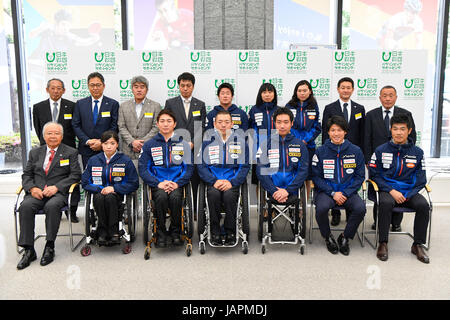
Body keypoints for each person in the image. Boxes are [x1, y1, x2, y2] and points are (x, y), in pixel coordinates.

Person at [17, 122, 81, 270]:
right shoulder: (34, 153)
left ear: (62, 136)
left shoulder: (70, 152)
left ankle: (49, 246)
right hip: (37, 193)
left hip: (57, 193)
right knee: (25, 206)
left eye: (56, 133)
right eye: (49, 133)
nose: (53, 136)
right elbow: (27, 174)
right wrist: (32, 188)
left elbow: (75, 175)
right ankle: (28, 250)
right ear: (44, 136)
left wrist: (57, 187)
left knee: (52, 206)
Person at [369, 114, 429, 263]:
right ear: (391, 130)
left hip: (409, 191)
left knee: (423, 205)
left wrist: (408, 193)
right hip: (387, 190)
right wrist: (391, 190)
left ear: (409, 131)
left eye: (402, 129)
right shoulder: (380, 150)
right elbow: (374, 175)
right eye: (395, 129)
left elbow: (421, 179)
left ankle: (418, 244)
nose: (399, 132)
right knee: (386, 203)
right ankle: (383, 243)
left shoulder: (418, 153)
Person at [311, 115, 366, 256]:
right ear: (328, 132)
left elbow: (360, 177)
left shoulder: (356, 151)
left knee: (360, 208)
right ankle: (328, 237)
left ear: (345, 132)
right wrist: (332, 193)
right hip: (327, 192)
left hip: (348, 192)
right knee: (322, 208)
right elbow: (316, 177)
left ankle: (345, 237)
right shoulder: (320, 151)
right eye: (333, 130)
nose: (336, 133)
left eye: (339, 130)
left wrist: (346, 193)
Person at [138, 109, 193, 247]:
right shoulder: (149, 144)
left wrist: (177, 183)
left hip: (176, 184)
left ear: (174, 124)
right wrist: (158, 183)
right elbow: (143, 169)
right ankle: (160, 232)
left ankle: (176, 232)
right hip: (158, 184)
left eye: (169, 121)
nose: (165, 124)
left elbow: (189, 168)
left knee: (175, 198)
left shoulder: (183, 144)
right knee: (161, 197)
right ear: (157, 124)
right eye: (162, 121)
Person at [365, 85, 416, 231]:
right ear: (380, 98)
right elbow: (367, 139)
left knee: (399, 187)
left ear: (396, 97)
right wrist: (369, 160)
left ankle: (396, 223)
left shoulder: (406, 114)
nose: (387, 98)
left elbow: (412, 138)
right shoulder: (371, 115)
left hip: (400, 162)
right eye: (384, 95)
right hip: (378, 162)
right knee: (380, 190)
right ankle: (379, 222)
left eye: (391, 95)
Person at [197, 110, 250, 245]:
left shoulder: (241, 142)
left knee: (229, 196)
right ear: (214, 124)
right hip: (213, 182)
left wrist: (232, 182)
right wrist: (213, 181)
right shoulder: (207, 142)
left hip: (232, 182)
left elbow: (244, 167)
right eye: (220, 122)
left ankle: (230, 231)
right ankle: (215, 232)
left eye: (227, 122)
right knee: (213, 195)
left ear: (232, 123)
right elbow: (201, 166)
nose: (223, 125)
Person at [33, 78, 80, 222]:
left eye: (59, 88)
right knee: (50, 176)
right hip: (48, 149)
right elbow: (38, 129)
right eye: (53, 88)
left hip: (68, 149)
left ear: (64, 90)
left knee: (71, 177)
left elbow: (75, 127)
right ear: (47, 89)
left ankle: (72, 210)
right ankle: (51, 207)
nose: (56, 91)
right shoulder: (38, 107)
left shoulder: (71, 106)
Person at [81, 131, 139, 246]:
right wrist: (100, 189)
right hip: (99, 192)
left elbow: (134, 183)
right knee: (98, 198)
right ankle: (101, 230)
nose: (108, 146)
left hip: (117, 194)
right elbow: (85, 182)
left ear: (117, 144)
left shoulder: (125, 160)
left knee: (109, 198)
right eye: (106, 143)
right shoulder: (93, 160)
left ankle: (113, 231)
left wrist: (114, 188)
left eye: (112, 143)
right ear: (101, 145)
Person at [322, 77, 366, 226]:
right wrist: (326, 150)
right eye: (343, 87)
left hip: (352, 153)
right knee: (334, 179)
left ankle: (350, 211)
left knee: (350, 179)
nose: (345, 90)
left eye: (348, 87)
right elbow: (325, 131)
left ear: (353, 90)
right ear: (338, 89)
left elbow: (362, 133)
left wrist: (362, 153)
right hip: (333, 151)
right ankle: (335, 214)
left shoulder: (359, 109)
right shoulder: (330, 108)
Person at [164, 72, 206, 210]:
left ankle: (194, 210)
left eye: (188, 85)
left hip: (194, 149)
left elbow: (202, 128)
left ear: (193, 86)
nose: (185, 88)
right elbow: (167, 126)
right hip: (175, 148)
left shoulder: (200, 105)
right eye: (183, 85)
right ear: (179, 86)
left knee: (194, 178)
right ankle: (175, 209)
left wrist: (193, 143)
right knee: (176, 176)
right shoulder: (170, 103)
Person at [256, 107, 308, 204]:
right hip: (272, 191)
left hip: (293, 190)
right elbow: (261, 170)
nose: (282, 126)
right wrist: (274, 190)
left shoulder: (300, 145)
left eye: (286, 122)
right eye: (279, 122)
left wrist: (287, 191)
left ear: (292, 123)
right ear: (274, 123)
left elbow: (303, 171)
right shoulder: (265, 144)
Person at [72, 72, 119, 168]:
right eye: (92, 85)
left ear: (104, 86)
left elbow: (114, 126)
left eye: (98, 85)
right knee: (89, 177)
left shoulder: (113, 104)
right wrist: (88, 141)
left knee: (108, 177)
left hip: (107, 149)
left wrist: (102, 142)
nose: (95, 88)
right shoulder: (80, 104)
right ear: (88, 86)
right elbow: (76, 125)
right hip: (87, 149)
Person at [285, 80, 321, 197]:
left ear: (310, 91)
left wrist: (305, 140)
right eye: (299, 90)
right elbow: (286, 125)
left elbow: (317, 127)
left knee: (307, 176)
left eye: (305, 90)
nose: (302, 93)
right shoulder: (289, 106)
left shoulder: (314, 106)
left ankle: (303, 204)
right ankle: (292, 201)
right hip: (292, 145)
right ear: (296, 92)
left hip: (308, 146)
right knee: (292, 173)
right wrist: (296, 140)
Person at [118, 75, 161, 165]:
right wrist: (132, 142)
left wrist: (142, 143)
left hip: (148, 149)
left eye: (142, 87)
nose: (139, 90)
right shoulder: (123, 106)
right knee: (129, 177)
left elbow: (156, 127)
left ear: (147, 89)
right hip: (128, 150)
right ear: (132, 89)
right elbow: (121, 127)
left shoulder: (155, 106)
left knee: (147, 176)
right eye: (136, 87)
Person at [248, 82, 280, 185]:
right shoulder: (254, 110)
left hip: (276, 148)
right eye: (264, 92)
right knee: (259, 179)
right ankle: (260, 201)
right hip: (259, 149)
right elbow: (250, 130)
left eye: (270, 92)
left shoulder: (279, 110)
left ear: (274, 94)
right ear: (260, 94)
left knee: (275, 176)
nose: (267, 95)